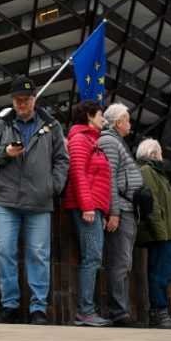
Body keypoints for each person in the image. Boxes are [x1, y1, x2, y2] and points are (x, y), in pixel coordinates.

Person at [0, 77, 69, 326]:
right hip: (7, 200)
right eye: (18, 100)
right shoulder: (2, 124)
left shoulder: (52, 126)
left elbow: (62, 159)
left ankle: (38, 308)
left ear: (34, 99)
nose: (22, 104)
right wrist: (4, 153)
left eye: (26, 99)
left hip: (40, 201)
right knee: (4, 252)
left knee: (39, 255)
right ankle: (10, 305)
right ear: (12, 101)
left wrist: (54, 186)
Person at [61, 100, 111, 327]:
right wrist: (88, 206)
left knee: (93, 257)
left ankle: (87, 310)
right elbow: (78, 173)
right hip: (86, 207)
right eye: (101, 114)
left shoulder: (93, 140)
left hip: (95, 207)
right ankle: (85, 311)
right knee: (91, 257)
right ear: (90, 116)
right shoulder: (80, 139)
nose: (104, 119)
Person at [96, 102, 144, 327]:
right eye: (127, 119)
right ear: (117, 122)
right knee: (119, 262)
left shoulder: (117, 141)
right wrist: (113, 212)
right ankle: (119, 311)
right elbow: (110, 179)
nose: (130, 124)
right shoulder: (109, 141)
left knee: (124, 263)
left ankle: (121, 309)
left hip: (127, 209)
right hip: (121, 211)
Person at [135, 139, 171, 329]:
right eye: (160, 152)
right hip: (159, 233)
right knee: (158, 274)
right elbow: (152, 205)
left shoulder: (158, 174)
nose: (162, 155)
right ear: (153, 154)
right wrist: (162, 233)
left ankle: (161, 312)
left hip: (166, 233)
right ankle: (159, 313)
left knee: (164, 273)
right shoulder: (147, 171)